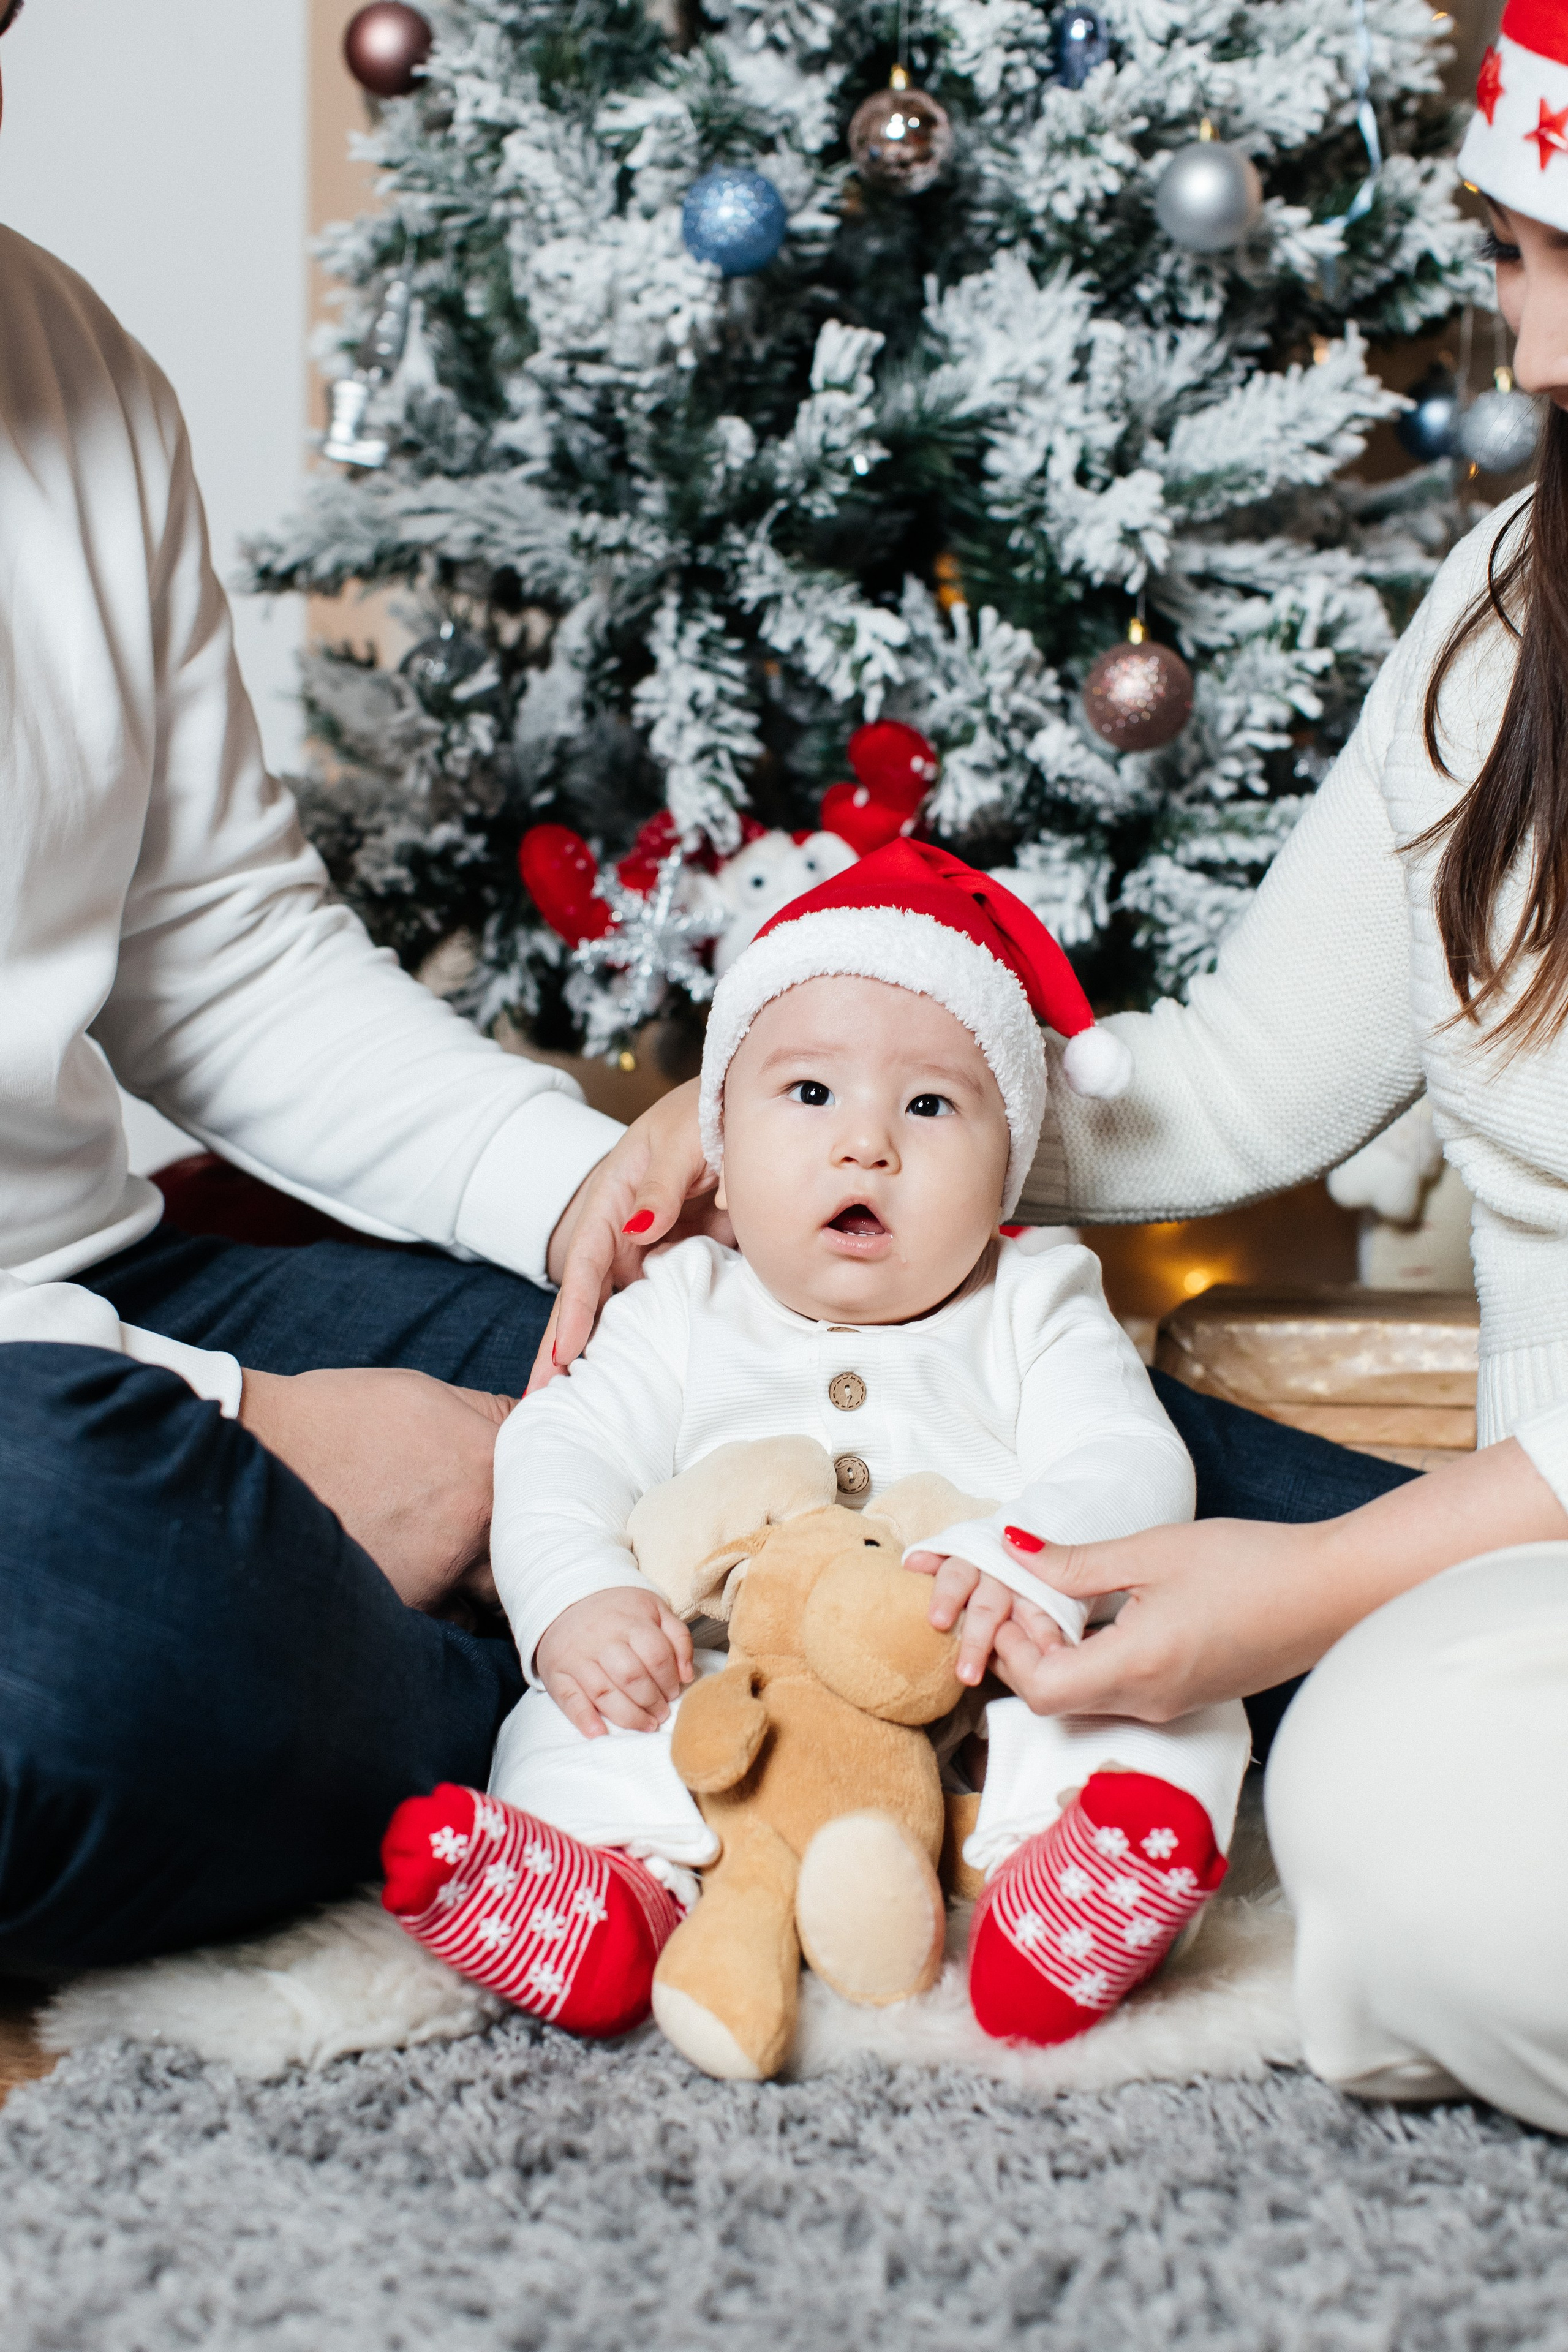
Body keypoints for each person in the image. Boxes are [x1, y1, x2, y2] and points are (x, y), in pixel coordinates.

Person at [546, 6, 1568, 2132]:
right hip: (1530, 1538)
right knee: (1404, 1829)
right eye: (1517, 260)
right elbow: (1228, 1087)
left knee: (1331, 1752)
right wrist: (831, 1083)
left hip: (1506, 1515)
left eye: (1559, 268)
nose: (1535, 356)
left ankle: (1076, 1858)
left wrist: (1310, 1584)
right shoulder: (1509, 601)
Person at [0, 12, 728, 1977]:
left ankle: (1411, 1608)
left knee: (769, 1340)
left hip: (105, 1302)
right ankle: (601, 1741)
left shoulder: (63, 359)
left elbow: (215, 953)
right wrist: (269, 1432)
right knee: (69, 1641)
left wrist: (582, 1202)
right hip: (53, 1446)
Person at [379, 844, 1250, 2054]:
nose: (867, 1147)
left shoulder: (1031, 1298)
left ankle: (1063, 1884)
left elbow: (1124, 1454)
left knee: (1173, 1697)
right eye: (808, 1095)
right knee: (573, 1717)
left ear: (1008, 1161)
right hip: (719, 1684)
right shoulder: (681, 1302)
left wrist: (1016, 1567)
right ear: (717, 1156)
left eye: (930, 1106)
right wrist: (581, 1600)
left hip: (975, 1667)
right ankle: (608, 1896)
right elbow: (557, 1451)